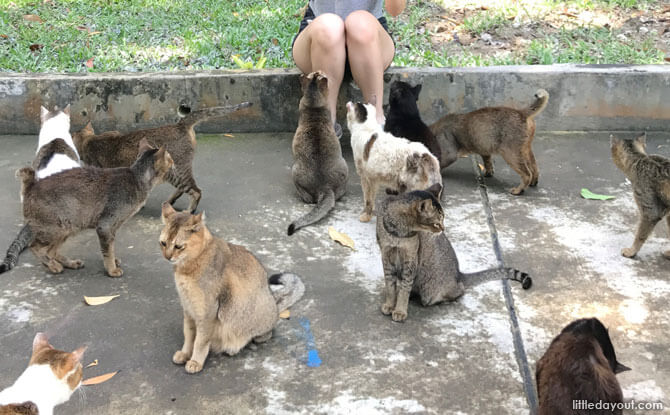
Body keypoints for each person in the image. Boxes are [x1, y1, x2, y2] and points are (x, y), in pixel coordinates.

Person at [292, 0, 407, 138]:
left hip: (369, 40)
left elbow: (395, 10)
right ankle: (325, 125)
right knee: (330, 26)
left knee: (359, 22)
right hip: (318, 41)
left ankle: (375, 122)